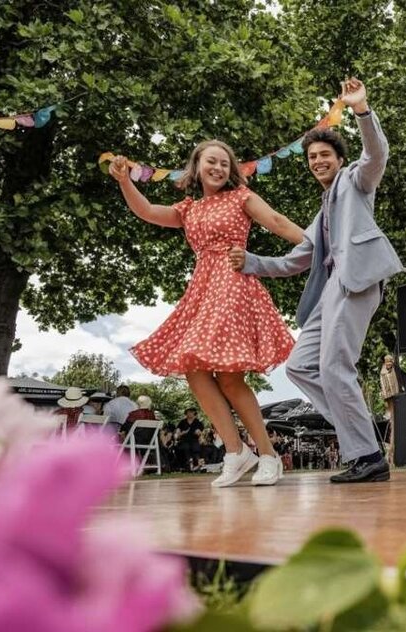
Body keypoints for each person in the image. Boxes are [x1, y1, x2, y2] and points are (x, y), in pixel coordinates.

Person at [229, 78, 403, 484]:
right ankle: (362, 444)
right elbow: (295, 260)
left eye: (325, 154)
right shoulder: (322, 210)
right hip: (330, 293)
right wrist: (250, 262)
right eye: (311, 157)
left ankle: (368, 456)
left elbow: (376, 155)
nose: (317, 161)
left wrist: (361, 110)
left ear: (339, 160)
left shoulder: (355, 183)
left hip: (356, 282)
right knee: (302, 366)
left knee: (333, 366)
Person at [110, 139, 304, 488]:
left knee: (230, 377)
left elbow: (276, 220)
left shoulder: (241, 197)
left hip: (233, 281)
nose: (218, 168)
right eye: (211, 162)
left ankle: (268, 456)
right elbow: (148, 211)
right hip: (202, 289)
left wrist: (317, 248)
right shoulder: (189, 209)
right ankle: (235, 451)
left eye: (224, 164)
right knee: (193, 369)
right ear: (196, 166)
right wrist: (126, 181)